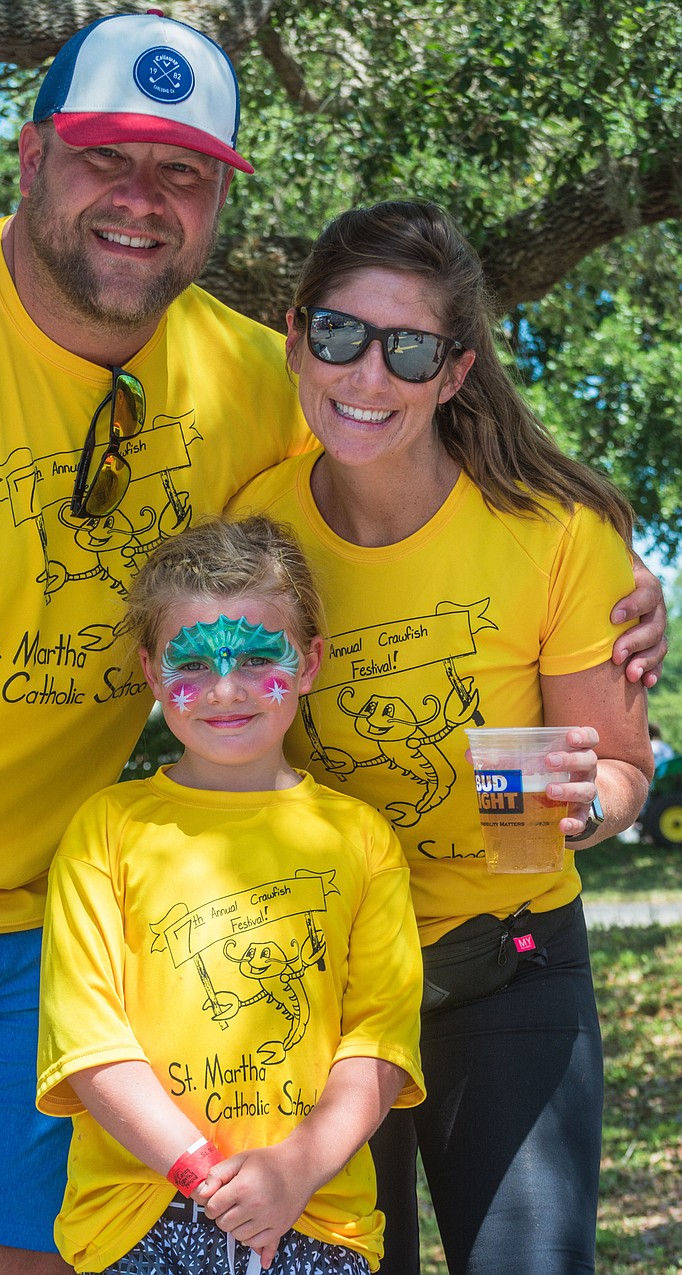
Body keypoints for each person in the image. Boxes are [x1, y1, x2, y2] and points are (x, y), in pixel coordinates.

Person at [0, 7, 664, 1270]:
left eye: (182, 172)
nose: (141, 199)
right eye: (107, 156)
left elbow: (414, 418)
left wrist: (602, 566)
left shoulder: (253, 383)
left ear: (218, 204)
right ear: (29, 157)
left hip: (59, 935)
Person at [228, 199, 656, 1275]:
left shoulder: (554, 535)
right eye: (338, 334)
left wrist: (585, 804)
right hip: (320, 980)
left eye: (407, 349)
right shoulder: (254, 526)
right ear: (294, 336)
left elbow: (621, 767)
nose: (366, 377)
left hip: (508, 968)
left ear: (453, 373)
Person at [36, 515, 425, 1275]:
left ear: (309, 662)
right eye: (193, 663)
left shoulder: (361, 839)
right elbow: (89, 1044)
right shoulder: (106, 829)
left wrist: (292, 1170)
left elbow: (379, 1040)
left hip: (315, 1212)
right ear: (152, 673)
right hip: (139, 1218)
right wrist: (205, 1176)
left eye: (256, 657)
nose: (224, 689)